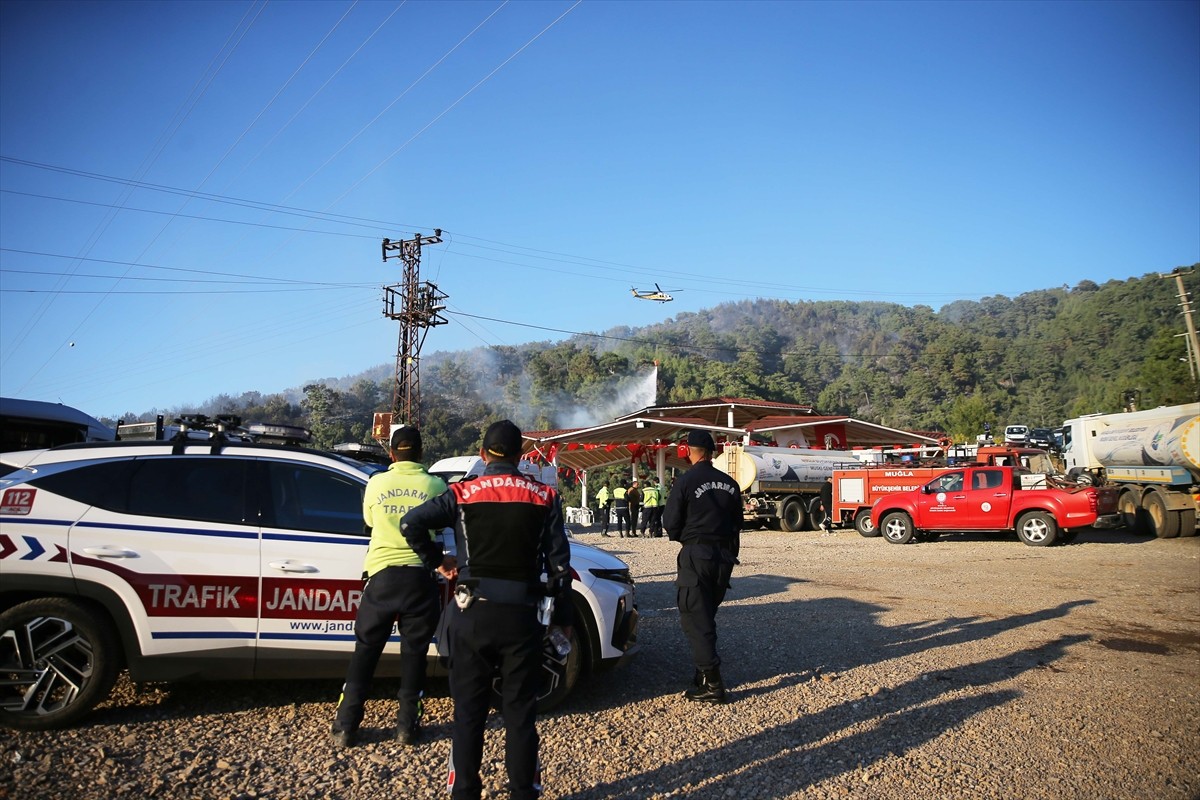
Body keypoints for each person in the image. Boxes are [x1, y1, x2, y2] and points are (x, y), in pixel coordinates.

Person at [399, 420, 573, 800]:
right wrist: (563, 622)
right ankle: (523, 792)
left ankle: (464, 791)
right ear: (521, 456)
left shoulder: (461, 493)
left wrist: (438, 562)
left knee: (468, 713)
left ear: (483, 454)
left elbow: (410, 522)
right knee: (520, 715)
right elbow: (561, 568)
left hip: (471, 613)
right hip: (521, 616)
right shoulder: (544, 496)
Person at [332, 425, 455, 748]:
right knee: (413, 653)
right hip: (418, 577)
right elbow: (442, 523)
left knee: (366, 650)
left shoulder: (376, 483)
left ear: (391, 454)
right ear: (421, 453)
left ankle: (346, 724)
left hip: (382, 576)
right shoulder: (435, 484)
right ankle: (407, 727)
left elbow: (371, 522)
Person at [662, 430, 742, 704]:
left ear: (689, 450)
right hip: (724, 557)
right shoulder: (731, 484)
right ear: (712, 452)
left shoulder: (686, 481)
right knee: (707, 613)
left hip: (697, 554)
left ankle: (712, 683)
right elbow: (737, 524)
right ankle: (701, 672)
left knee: (695, 618)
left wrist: (686, 535)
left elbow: (670, 522)